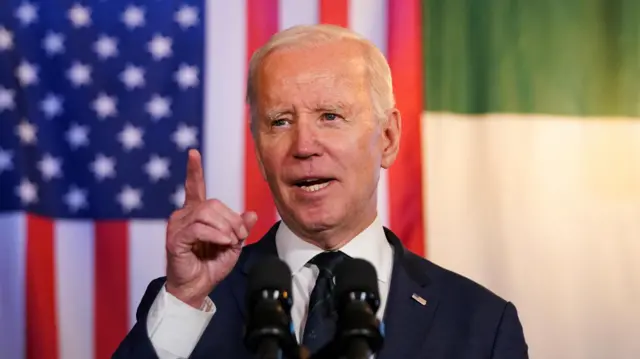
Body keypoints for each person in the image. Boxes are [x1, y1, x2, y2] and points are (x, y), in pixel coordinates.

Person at [113, 24, 528, 359]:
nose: (304, 145)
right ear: (259, 151)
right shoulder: (191, 301)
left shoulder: (481, 323)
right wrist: (185, 299)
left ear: (387, 138)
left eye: (330, 116)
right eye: (279, 122)